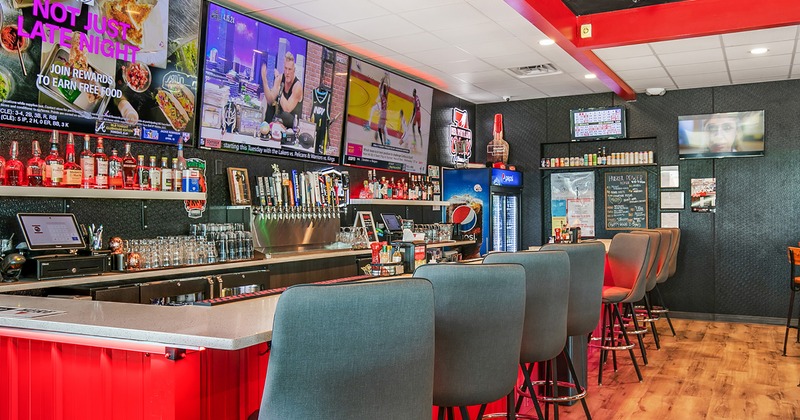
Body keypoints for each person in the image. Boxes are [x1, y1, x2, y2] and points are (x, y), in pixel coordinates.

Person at [262, 52, 303, 128]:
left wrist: (279, 89)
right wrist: (264, 81)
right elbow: (270, 100)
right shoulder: (280, 78)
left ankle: (277, 124)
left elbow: (287, 109)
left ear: (294, 70)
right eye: (285, 68)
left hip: (291, 122)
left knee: (285, 115)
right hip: (279, 119)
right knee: (270, 107)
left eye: (290, 69)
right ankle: (266, 130)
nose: (287, 72)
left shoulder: (297, 86)